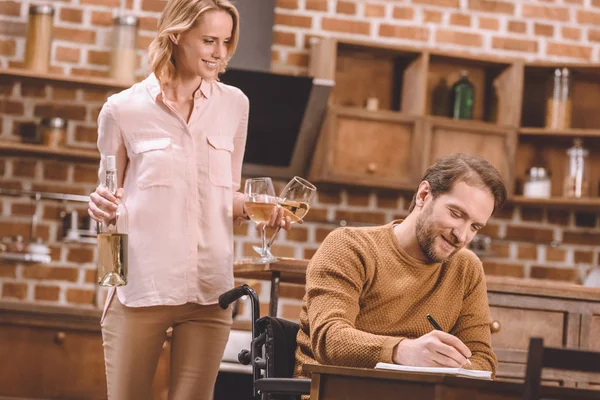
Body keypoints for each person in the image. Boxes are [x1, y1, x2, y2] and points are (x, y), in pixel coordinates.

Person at [87, 1, 290, 399]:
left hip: (210, 291)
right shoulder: (123, 109)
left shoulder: (235, 105)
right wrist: (110, 278)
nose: (220, 52)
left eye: (227, 41)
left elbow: (227, 195)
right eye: (209, 40)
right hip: (140, 290)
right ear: (176, 35)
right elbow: (108, 204)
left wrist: (256, 208)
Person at [294, 153, 507, 379]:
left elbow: (483, 359)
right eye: (456, 214)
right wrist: (403, 351)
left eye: (475, 226)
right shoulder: (349, 246)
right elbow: (329, 340)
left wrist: (451, 364)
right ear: (424, 195)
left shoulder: (467, 268)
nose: (462, 236)